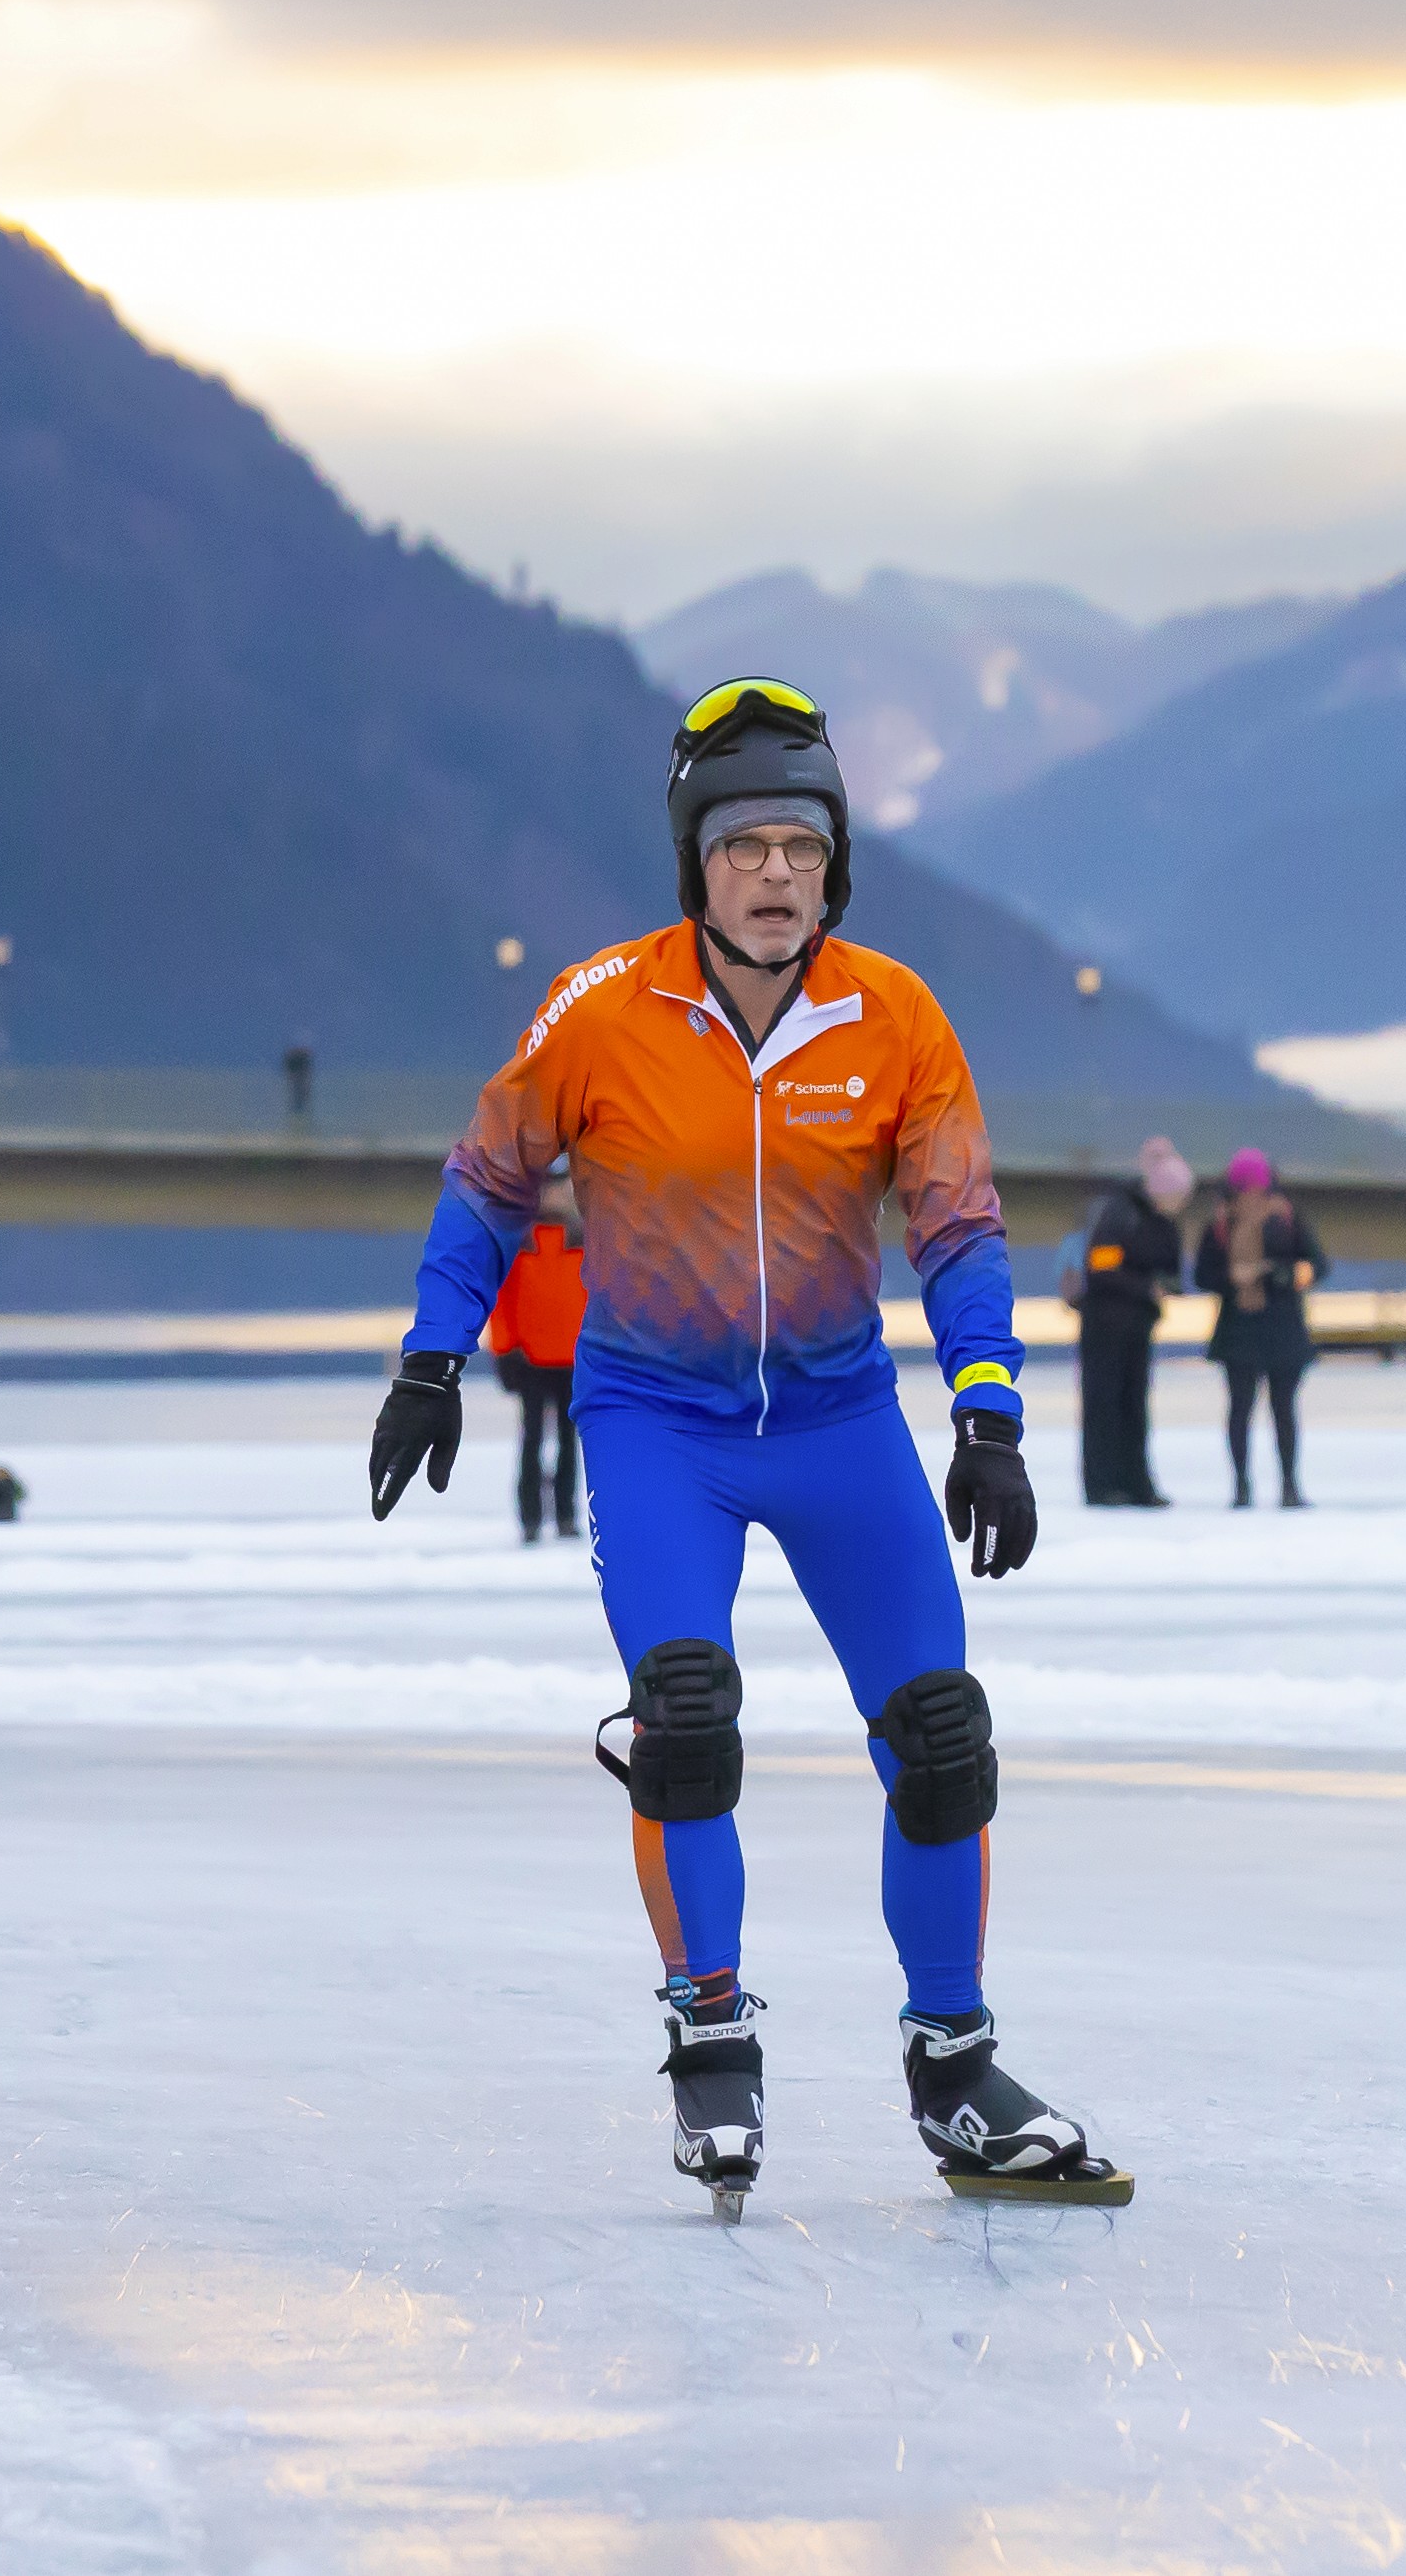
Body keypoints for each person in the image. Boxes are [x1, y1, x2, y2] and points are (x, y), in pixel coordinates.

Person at [367, 676, 1126, 2218]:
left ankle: (954, 2067)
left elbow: (961, 1228)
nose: (774, 873)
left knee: (941, 1737)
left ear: (834, 864)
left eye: (800, 845)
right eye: (741, 847)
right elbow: (485, 1184)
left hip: (842, 1423)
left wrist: (987, 1414)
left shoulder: (895, 1016)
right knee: (688, 1715)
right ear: (692, 865)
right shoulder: (597, 1014)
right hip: (659, 1424)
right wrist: (432, 1360)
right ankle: (709, 2034)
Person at [1195, 1148, 1326, 1508]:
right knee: (1241, 1409)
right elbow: (1202, 1275)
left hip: (1282, 1326)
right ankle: (1241, 1486)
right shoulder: (1220, 1225)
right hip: (1240, 1329)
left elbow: (1317, 1264)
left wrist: (1282, 1274)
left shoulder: (1288, 1219)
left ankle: (1289, 1485)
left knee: (1283, 1409)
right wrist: (1231, 1279)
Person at [1068, 1137, 1193, 1507]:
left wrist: (1166, 1287)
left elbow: (1171, 1270)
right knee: (1103, 1405)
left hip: (1138, 1326)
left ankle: (1137, 1484)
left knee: (1134, 1407)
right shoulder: (1119, 1212)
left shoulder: (1164, 1221)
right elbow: (1102, 1267)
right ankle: (1102, 1486)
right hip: (1104, 1324)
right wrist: (1146, 1289)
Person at [483, 1167, 589, 1541]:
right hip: (530, 1358)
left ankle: (565, 1514)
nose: (554, 1198)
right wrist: (505, 1350)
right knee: (531, 1439)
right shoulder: (518, 1242)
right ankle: (529, 1517)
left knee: (568, 1439)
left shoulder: (585, 1240)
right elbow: (502, 1301)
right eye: (548, 1190)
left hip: (574, 1359)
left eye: (561, 1190)